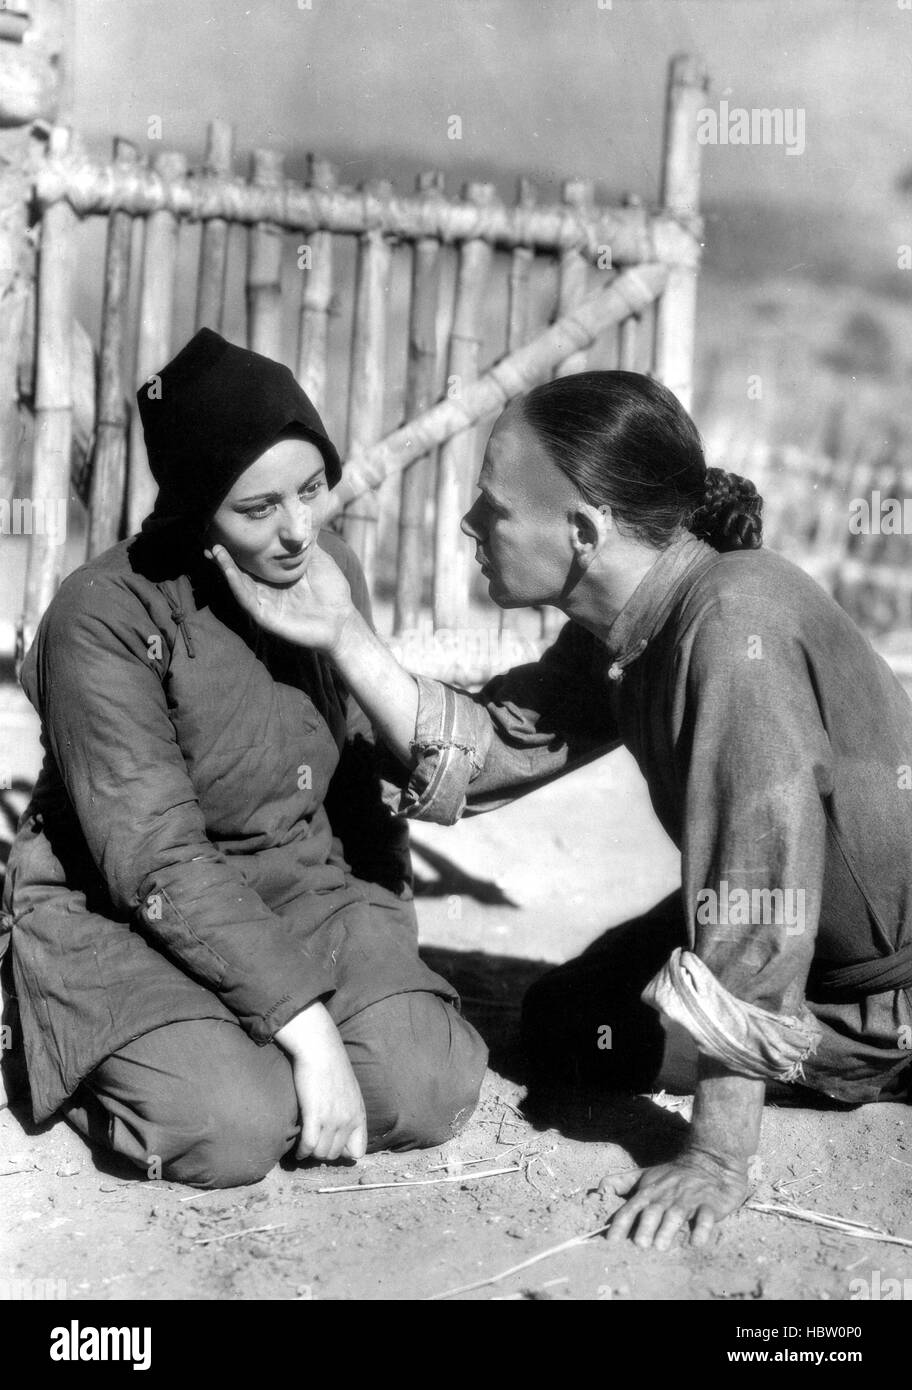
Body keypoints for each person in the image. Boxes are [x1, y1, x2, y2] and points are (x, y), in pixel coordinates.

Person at [210, 369, 912, 1250]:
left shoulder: (734, 626)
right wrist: (345, 633)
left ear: (582, 531)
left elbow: (760, 907)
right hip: (784, 929)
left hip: (871, 985)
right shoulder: (630, 625)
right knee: (564, 1026)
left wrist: (720, 1158)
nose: (470, 524)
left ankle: (858, 1067)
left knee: (627, 1033)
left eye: (493, 508)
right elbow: (493, 746)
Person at [1, 328, 487, 1188]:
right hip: (128, 917)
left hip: (300, 893)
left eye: (311, 490)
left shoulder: (327, 572)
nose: (299, 530)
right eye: (259, 509)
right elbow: (152, 858)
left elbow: (363, 791)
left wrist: (380, 939)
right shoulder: (103, 618)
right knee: (231, 1128)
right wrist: (307, 1023)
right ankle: (77, 1047)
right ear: (195, 507)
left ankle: (255, 1050)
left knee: (429, 1082)